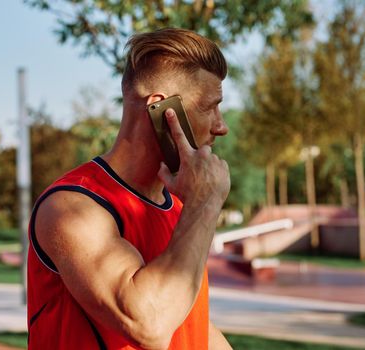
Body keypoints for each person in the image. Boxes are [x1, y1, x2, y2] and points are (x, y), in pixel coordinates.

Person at [27, 28, 232, 349]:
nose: (221, 126)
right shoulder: (72, 207)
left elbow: (190, 321)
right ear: (165, 111)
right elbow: (148, 324)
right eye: (210, 107)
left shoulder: (181, 209)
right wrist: (206, 204)